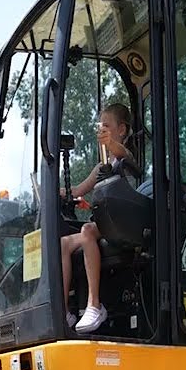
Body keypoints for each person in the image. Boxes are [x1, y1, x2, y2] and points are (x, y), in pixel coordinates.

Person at [59, 102, 139, 333]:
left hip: (124, 222)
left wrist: (110, 143)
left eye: (107, 125)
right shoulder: (101, 167)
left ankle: (95, 304)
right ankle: (64, 312)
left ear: (121, 130)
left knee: (87, 231)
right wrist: (55, 191)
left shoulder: (125, 159)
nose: (101, 130)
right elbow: (77, 190)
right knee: (63, 244)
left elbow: (120, 151)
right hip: (105, 224)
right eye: (100, 126)